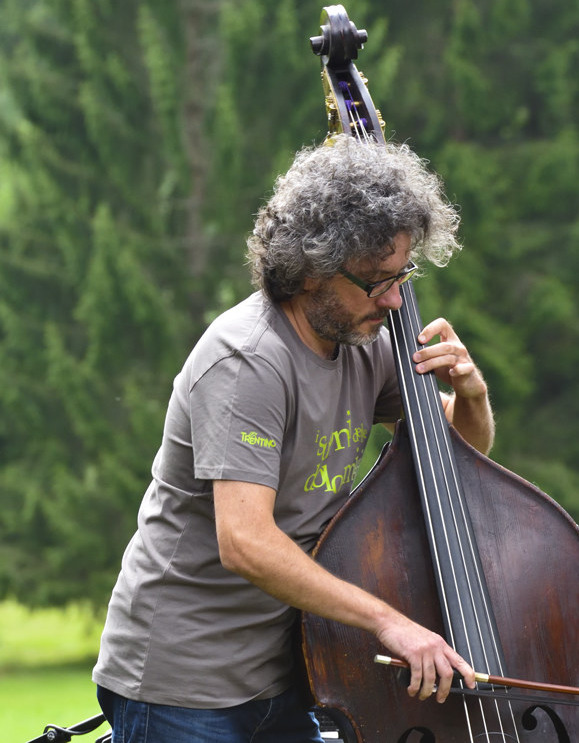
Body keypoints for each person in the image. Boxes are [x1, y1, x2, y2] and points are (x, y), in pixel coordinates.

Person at [92, 135, 491, 742]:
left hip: (288, 676)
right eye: (375, 281)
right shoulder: (248, 361)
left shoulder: (366, 341)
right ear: (310, 272)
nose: (394, 299)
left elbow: (456, 463)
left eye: (402, 275)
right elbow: (244, 540)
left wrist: (471, 394)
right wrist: (388, 621)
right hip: (185, 684)